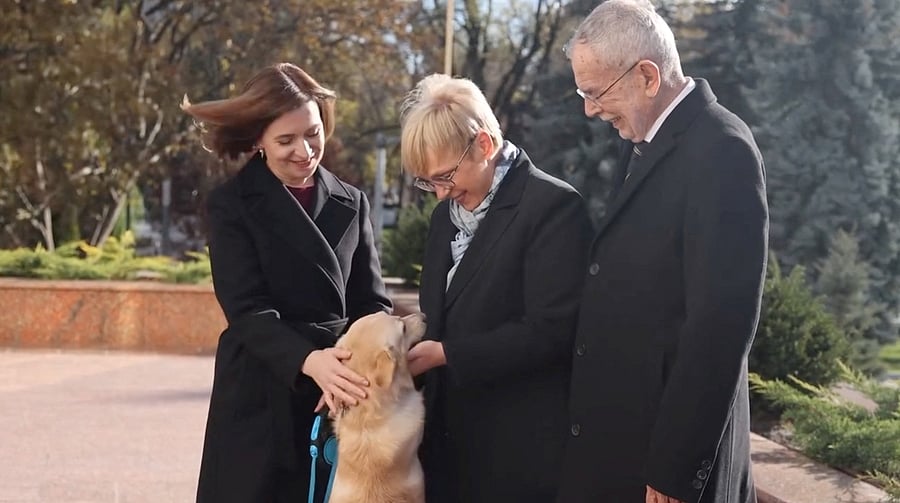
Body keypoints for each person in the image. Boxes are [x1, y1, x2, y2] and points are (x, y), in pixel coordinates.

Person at [557, 1, 769, 503]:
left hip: (663, 468)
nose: (589, 109)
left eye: (596, 92)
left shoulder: (722, 149)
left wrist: (676, 468)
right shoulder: (646, 135)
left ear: (648, 77)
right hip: (621, 443)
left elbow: (720, 326)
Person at [182, 62, 392, 503]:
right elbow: (246, 308)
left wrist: (352, 369)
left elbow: (372, 304)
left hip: (339, 394)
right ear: (258, 140)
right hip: (261, 393)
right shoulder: (231, 205)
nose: (305, 150)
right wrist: (310, 361)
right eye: (286, 140)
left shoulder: (352, 202)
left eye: (313, 133)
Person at [399, 73, 594, 503]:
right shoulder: (444, 217)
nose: (440, 194)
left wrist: (447, 354)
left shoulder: (553, 207)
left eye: (445, 176)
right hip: (447, 451)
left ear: (484, 146)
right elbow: (441, 313)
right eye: (429, 182)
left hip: (516, 457)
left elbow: (553, 331)